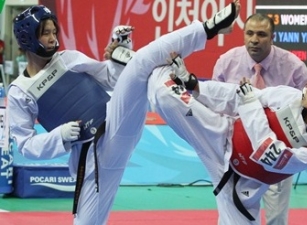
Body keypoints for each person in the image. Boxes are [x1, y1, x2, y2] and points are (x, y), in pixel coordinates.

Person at [8, 2, 239, 225]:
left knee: (140, 65)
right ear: (27, 38)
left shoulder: (68, 59)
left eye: (53, 31)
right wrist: (60, 136)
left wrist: (121, 53)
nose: (52, 38)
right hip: (92, 160)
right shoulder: (20, 91)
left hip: (115, 124)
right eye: (44, 33)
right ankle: (129, 56)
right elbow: (26, 145)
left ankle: (207, 28)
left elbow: (112, 78)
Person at [147, 56, 307, 225]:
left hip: (245, 186)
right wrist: (194, 85)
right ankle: (142, 63)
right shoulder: (290, 96)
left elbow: (270, 155)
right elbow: (239, 95)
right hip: (220, 137)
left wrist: (250, 106)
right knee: (166, 95)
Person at [212, 13, 307, 224]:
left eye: (261, 34)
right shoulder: (226, 63)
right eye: (249, 33)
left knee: (276, 217)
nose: (254, 39)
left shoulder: (293, 67)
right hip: (236, 152)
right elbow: (214, 104)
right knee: (231, 215)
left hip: (278, 153)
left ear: (272, 37)